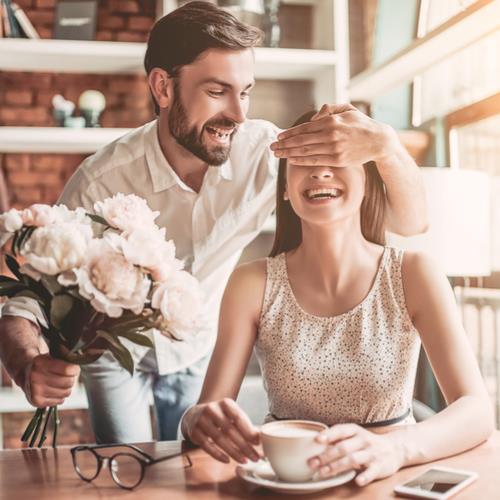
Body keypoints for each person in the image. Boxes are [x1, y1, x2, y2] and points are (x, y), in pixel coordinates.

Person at [0, 3, 427, 444]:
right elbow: (24, 299)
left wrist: (387, 148)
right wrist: (27, 363)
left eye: (244, 92)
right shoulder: (100, 181)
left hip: (200, 346)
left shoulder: (266, 153)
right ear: (163, 88)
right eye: (217, 91)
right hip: (114, 353)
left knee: (192, 464)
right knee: (123, 470)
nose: (239, 115)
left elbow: (412, 222)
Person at [181, 111, 494, 485]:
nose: (320, 172)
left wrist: (396, 448)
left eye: (337, 159)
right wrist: (194, 420)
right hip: (286, 485)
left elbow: (476, 411)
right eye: (305, 160)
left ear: (368, 180)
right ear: (284, 186)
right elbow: (209, 411)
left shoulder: (414, 273)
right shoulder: (252, 282)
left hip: (387, 482)